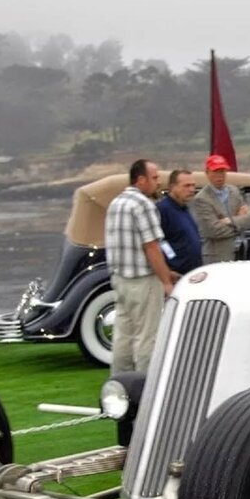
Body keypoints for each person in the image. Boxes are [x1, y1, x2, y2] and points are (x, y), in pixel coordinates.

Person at [105, 159, 175, 374]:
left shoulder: (116, 203)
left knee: (123, 336)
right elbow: (152, 247)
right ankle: (146, 389)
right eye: (154, 178)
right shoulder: (144, 205)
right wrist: (166, 282)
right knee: (148, 337)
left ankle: (119, 384)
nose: (158, 182)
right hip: (143, 280)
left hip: (120, 279)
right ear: (141, 179)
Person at [190, 154, 250, 264]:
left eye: (222, 171)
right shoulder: (201, 199)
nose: (219, 176)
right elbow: (213, 230)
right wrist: (240, 222)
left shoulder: (234, 191)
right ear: (207, 173)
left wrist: (229, 221)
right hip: (216, 256)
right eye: (215, 172)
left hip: (240, 252)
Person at [156, 169, 203, 278]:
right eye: (186, 186)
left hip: (192, 273)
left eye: (193, 185)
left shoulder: (185, 208)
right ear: (172, 187)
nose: (192, 189)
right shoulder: (163, 209)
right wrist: (172, 262)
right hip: (176, 274)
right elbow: (158, 242)